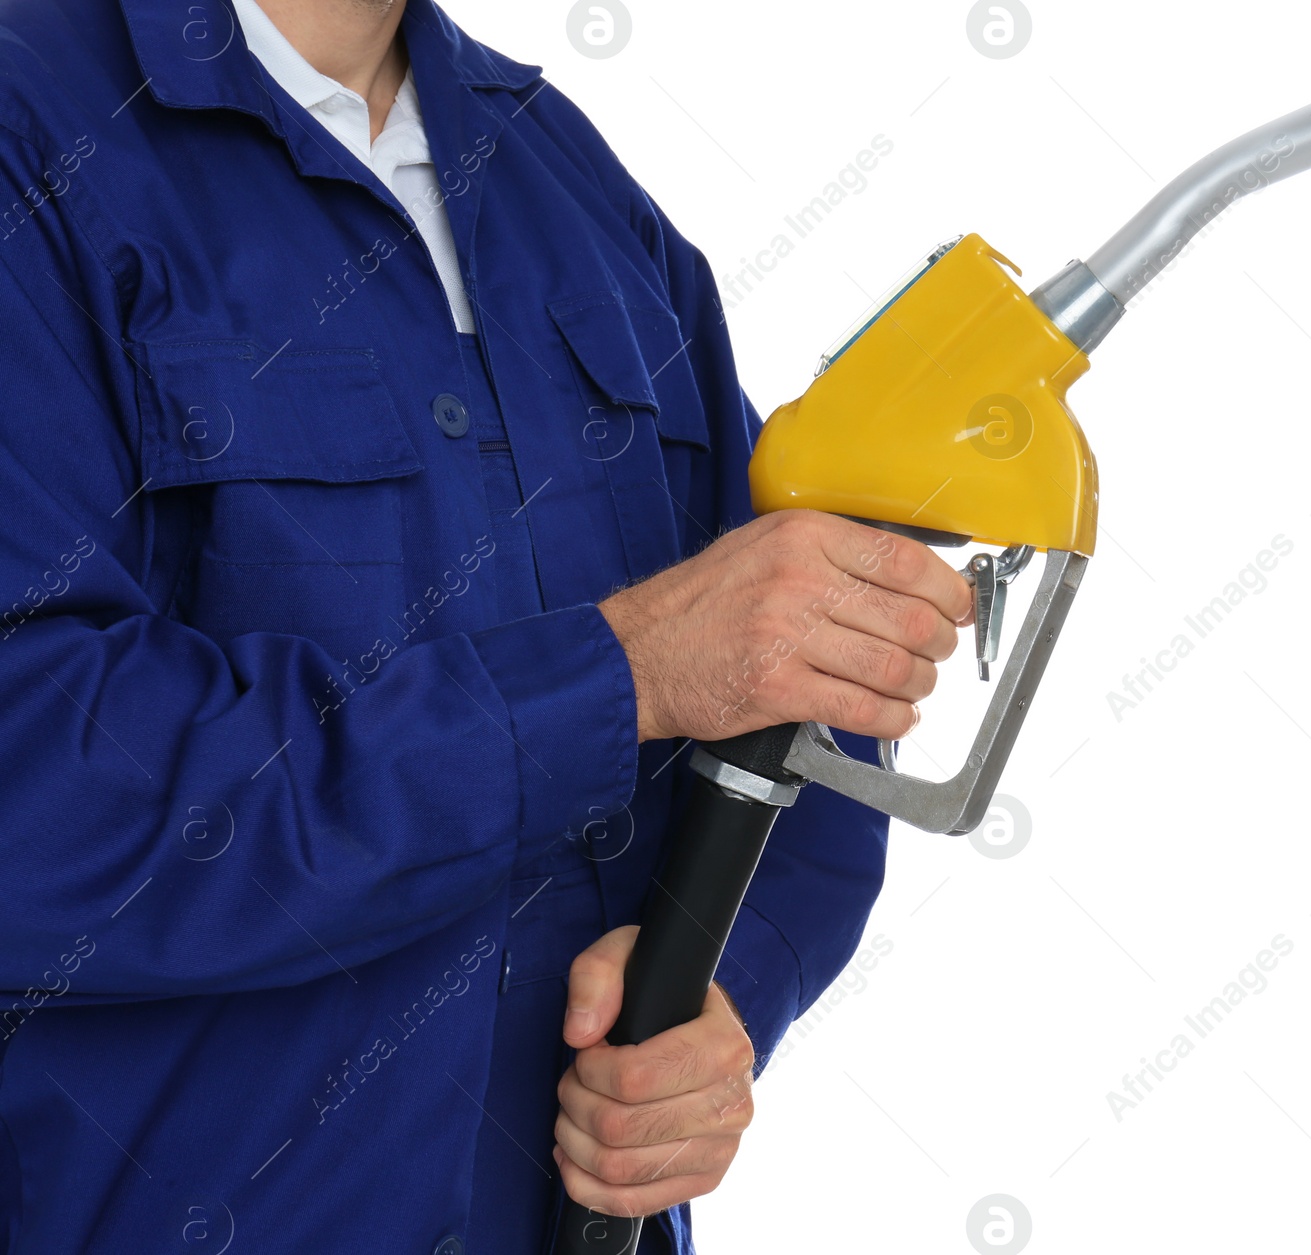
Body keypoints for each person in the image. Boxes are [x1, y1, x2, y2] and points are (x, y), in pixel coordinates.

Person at [0, 0, 971, 1251]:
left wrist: (727, 991)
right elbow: (38, 785)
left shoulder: (565, 183)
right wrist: (616, 675)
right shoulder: (36, 136)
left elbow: (782, 694)